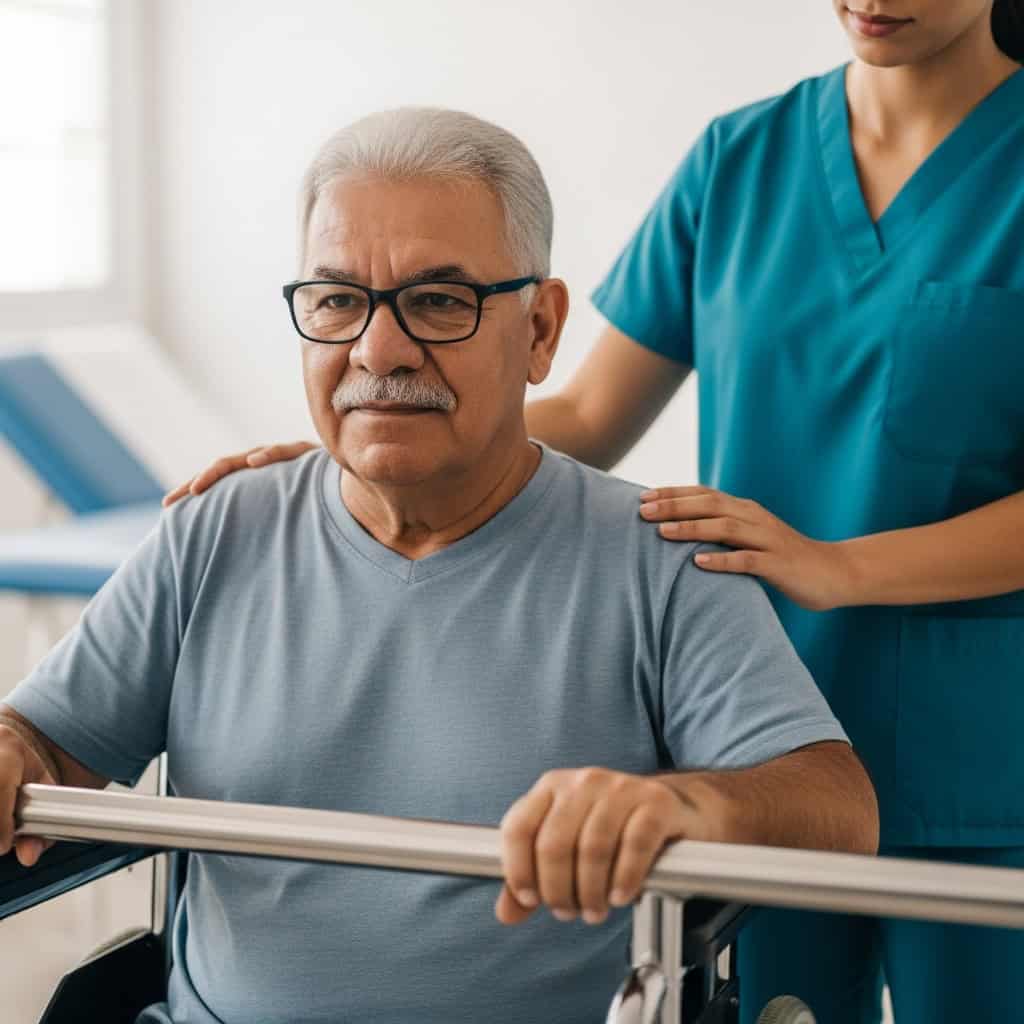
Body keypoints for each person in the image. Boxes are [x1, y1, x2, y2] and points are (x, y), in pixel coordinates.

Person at [171, 3, 1024, 1022]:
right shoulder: (740, 160)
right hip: (750, 731)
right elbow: (583, 411)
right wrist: (356, 446)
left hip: (974, 747)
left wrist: (836, 566)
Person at [0, 109, 877, 1024]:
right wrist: (12, 749)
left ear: (540, 331)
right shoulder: (214, 532)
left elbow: (836, 808)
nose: (379, 351)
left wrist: (683, 805)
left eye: (439, 302)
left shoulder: (656, 560)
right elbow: (45, 743)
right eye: (338, 301)